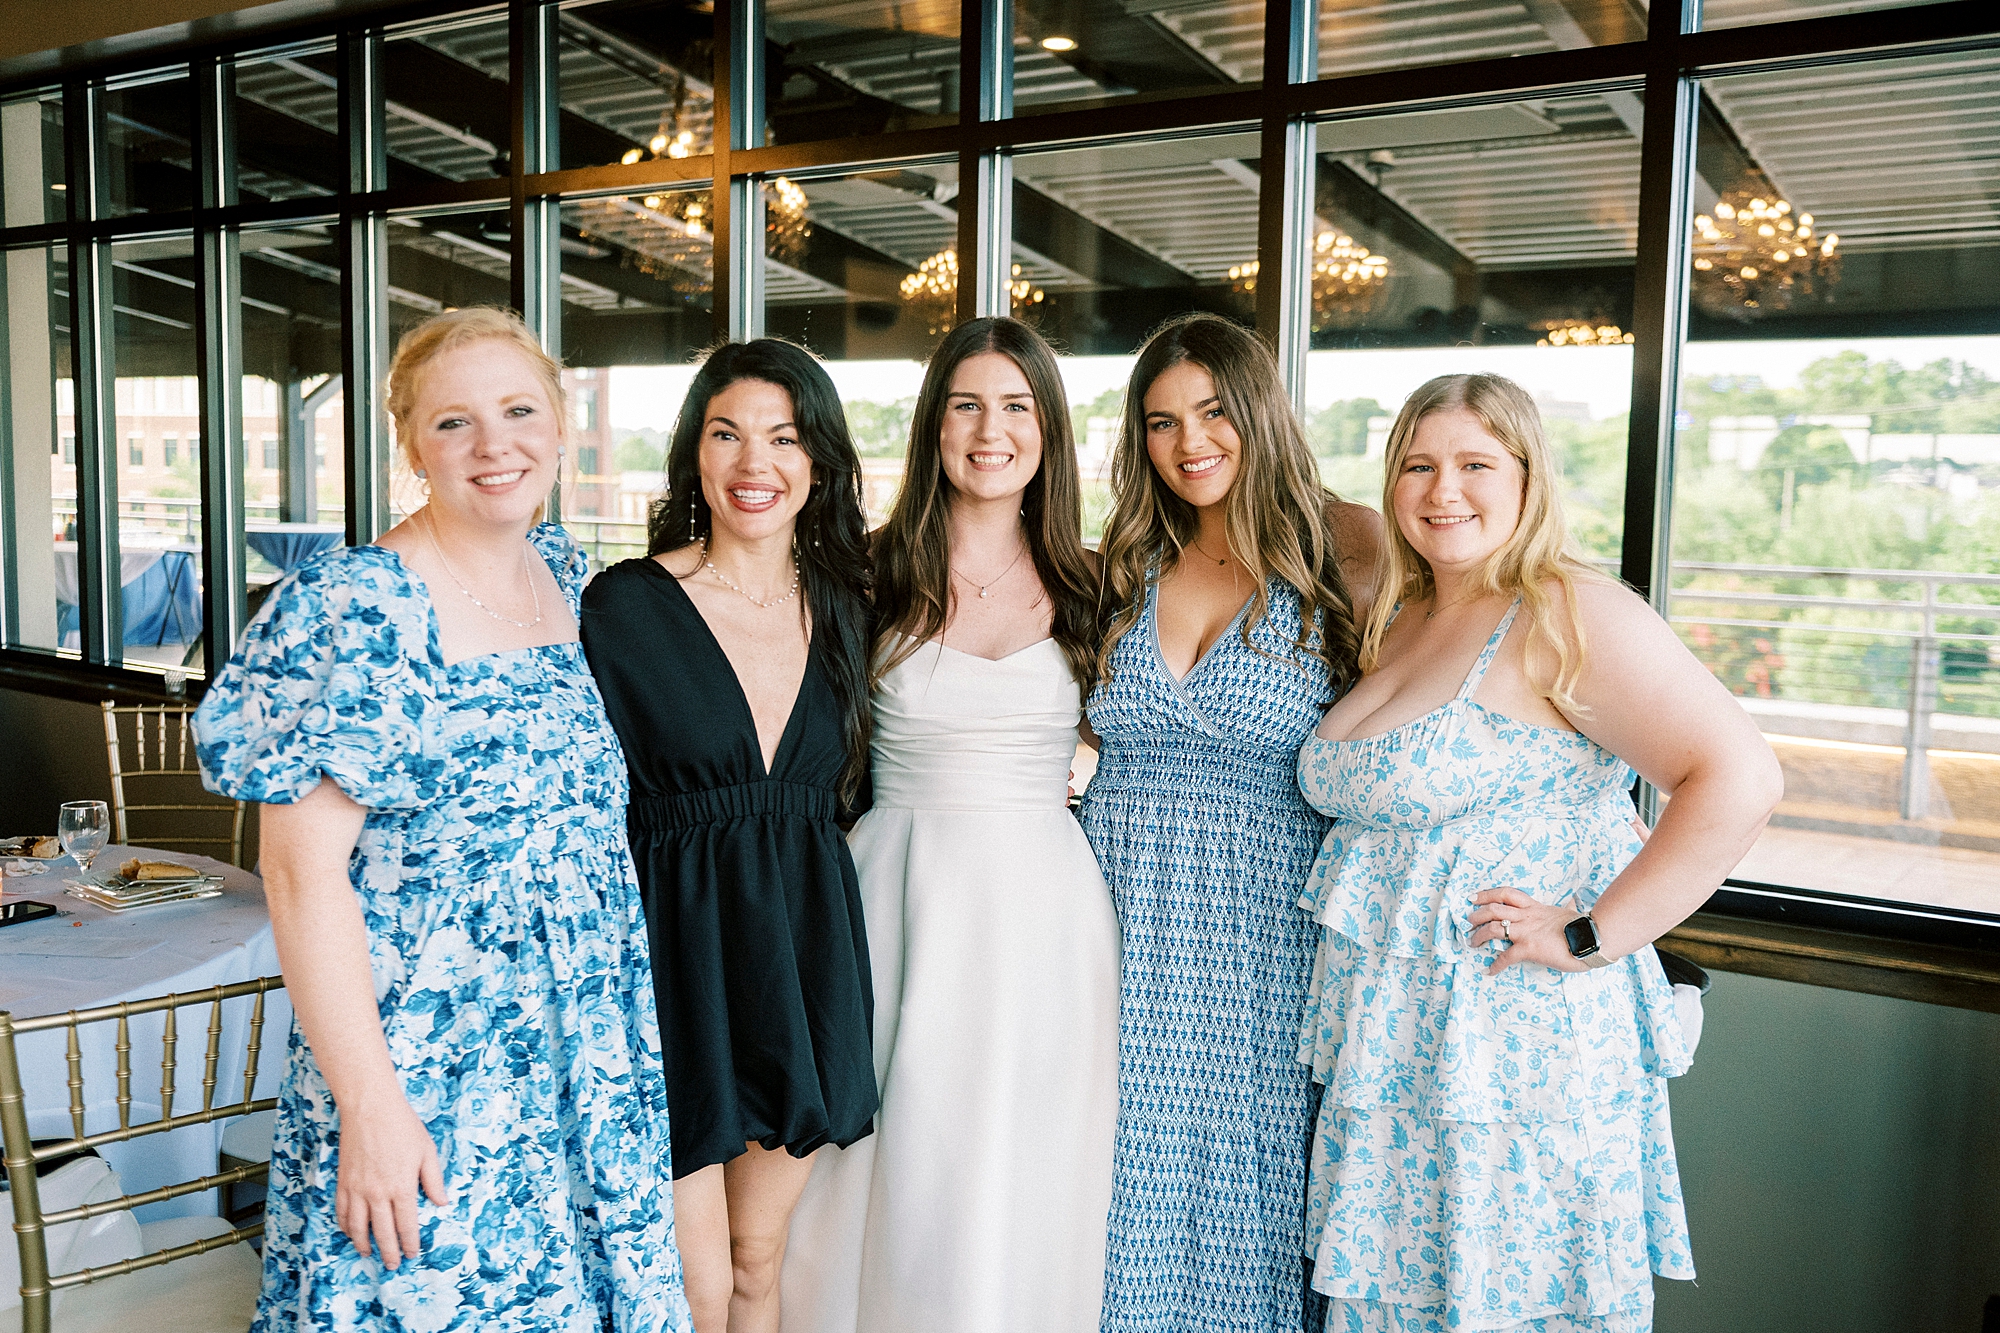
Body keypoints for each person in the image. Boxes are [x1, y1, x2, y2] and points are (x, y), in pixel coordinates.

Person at [193, 306, 692, 1333]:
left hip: (577, 1050)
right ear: (410, 443)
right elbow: (299, 876)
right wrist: (372, 1107)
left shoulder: (557, 571)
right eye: (452, 422)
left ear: (558, 425)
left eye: (517, 410)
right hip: (432, 1059)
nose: (493, 443)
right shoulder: (360, 600)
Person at [1295, 373, 1782, 1332]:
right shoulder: (1397, 615)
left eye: (1477, 464)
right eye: (1418, 466)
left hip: (1516, 1050)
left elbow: (1738, 777)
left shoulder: (1567, 610)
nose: (1445, 491)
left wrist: (1594, 932)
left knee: (1510, 1305)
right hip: (1395, 1056)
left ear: (1528, 478)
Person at [781, 318, 1120, 1333]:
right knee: (891, 1157)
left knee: (1024, 1161)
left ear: (1048, 431)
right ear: (933, 427)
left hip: (1044, 913)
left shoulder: (1095, 583)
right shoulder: (860, 575)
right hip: (891, 892)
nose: (990, 429)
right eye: (966, 404)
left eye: (1016, 405)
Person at [1082, 312, 1383, 1333]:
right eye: (1160, 422)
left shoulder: (1347, 552)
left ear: (1256, 410)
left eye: (1212, 411)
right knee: (1113, 1188)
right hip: (1113, 915)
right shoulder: (1121, 562)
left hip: (1266, 927)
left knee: (1248, 1196)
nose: (1188, 442)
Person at [579, 339, 876, 1333]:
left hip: (798, 959)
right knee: (687, 1281)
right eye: (727, 434)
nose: (756, 464)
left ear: (818, 462)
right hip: (669, 961)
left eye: (783, 437)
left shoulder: (849, 610)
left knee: (757, 1259)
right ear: (694, 457)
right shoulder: (622, 606)